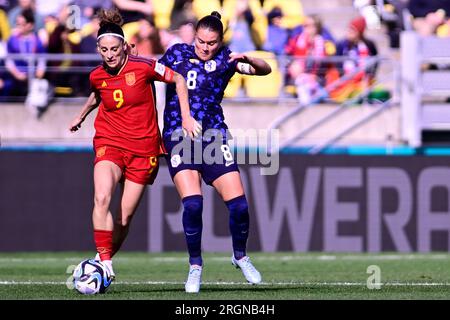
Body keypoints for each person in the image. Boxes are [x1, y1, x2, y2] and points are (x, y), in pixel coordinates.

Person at [69, 8, 201, 281]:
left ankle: (101, 261)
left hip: (144, 149)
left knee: (124, 219)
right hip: (110, 141)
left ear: (126, 47)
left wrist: (186, 117)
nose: (109, 55)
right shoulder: (97, 74)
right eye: (103, 50)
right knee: (101, 197)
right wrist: (81, 116)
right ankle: (105, 265)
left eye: (114, 49)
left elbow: (177, 78)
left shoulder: (144, 67)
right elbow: (98, 94)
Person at [158, 11, 272, 293]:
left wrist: (248, 59)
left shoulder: (227, 60)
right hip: (179, 135)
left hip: (213, 136)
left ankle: (240, 256)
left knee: (240, 206)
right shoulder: (176, 54)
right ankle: (195, 266)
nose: (205, 47)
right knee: (194, 204)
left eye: (211, 43)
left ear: (220, 41)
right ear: (194, 36)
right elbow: (151, 75)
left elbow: (264, 70)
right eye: (200, 41)